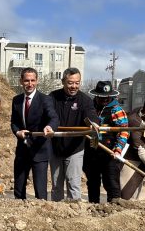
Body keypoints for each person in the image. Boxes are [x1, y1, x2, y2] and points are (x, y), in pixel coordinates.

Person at [48, 67, 97, 201]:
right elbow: (47, 114)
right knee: (56, 185)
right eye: (70, 83)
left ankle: (74, 216)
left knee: (73, 184)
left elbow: (91, 115)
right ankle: (56, 211)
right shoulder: (53, 97)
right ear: (63, 81)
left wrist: (93, 124)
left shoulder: (85, 100)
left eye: (77, 83)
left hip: (75, 148)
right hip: (56, 148)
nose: (74, 86)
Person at [10, 68, 58, 199]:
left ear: (37, 81)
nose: (30, 84)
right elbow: (14, 122)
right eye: (26, 80)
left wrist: (49, 126)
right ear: (21, 81)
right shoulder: (17, 100)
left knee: (40, 191)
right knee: (19, 190)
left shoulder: (45, 99)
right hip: (22, 151)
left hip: (40, 151)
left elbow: (53, 117)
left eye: (32, 80)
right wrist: (17, 132)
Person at [83, 81, 128, 203]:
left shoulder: (117, 110)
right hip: (92, 152)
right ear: (96, 96)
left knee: (111, 181)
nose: (104, 100)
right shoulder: (89, 107)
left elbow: (124, 132)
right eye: (101, 97)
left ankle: (114, 207)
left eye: (107, 97)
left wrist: (118, 149)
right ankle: (93, 207)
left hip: (110, 153)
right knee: (92, 182)